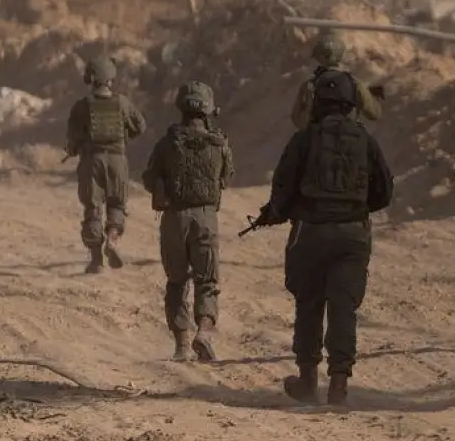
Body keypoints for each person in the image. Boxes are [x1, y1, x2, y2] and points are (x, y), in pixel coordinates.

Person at [259, 69, 395, 407]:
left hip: (311, 233)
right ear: (352, 105)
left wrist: (278, 213)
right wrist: (355, 209)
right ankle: (338, 386)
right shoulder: (366, 140)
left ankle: (308, 381)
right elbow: (384, 191)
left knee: (309, 304)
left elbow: (283, 189)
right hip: (352, 235)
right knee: (343, 307)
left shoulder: (304, 139)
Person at [141, 81, 235, 362]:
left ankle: (182, 345)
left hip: (174, 219)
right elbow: (227, 178)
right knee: (207, 280)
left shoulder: (167, 143)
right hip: (206, 218)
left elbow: (148, 178)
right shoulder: (219, 143)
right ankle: (204, 331)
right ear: (208, 110)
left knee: (177, 281)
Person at [64, 56, 147, 274]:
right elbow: (140, 126)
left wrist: (75, 148)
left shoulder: (82, 107)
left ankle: (96, 260)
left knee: (93, 209)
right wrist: (124, 136)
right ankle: (112, 239)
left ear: (91, 79)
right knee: (117, 206)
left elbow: (71, 140)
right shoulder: (122, 102)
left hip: (92, 162)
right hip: (117, 161)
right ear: (110, 80)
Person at [290, 33, 383, 128]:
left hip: (317, 133)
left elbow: (297, 119)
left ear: (319, 57)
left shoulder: (309, 84)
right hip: (347, 134)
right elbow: (374, 114)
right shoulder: (355, 83)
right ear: (342, 55)